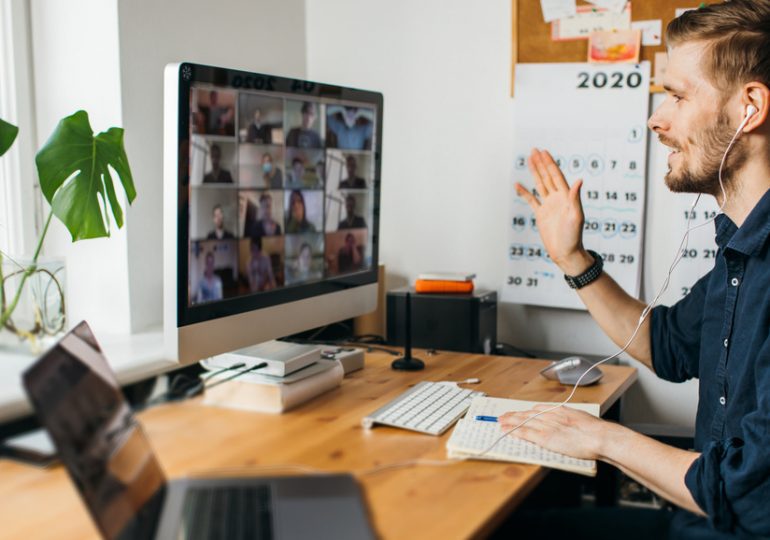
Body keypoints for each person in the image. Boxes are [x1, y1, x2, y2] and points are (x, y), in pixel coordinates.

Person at [503, 3, 770, 538]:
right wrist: (572, 259)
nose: (656, 118)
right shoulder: (741, 247)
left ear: (750, 107)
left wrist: (602, 439)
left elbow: (752, 500)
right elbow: (667, 345)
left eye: (676, 95)